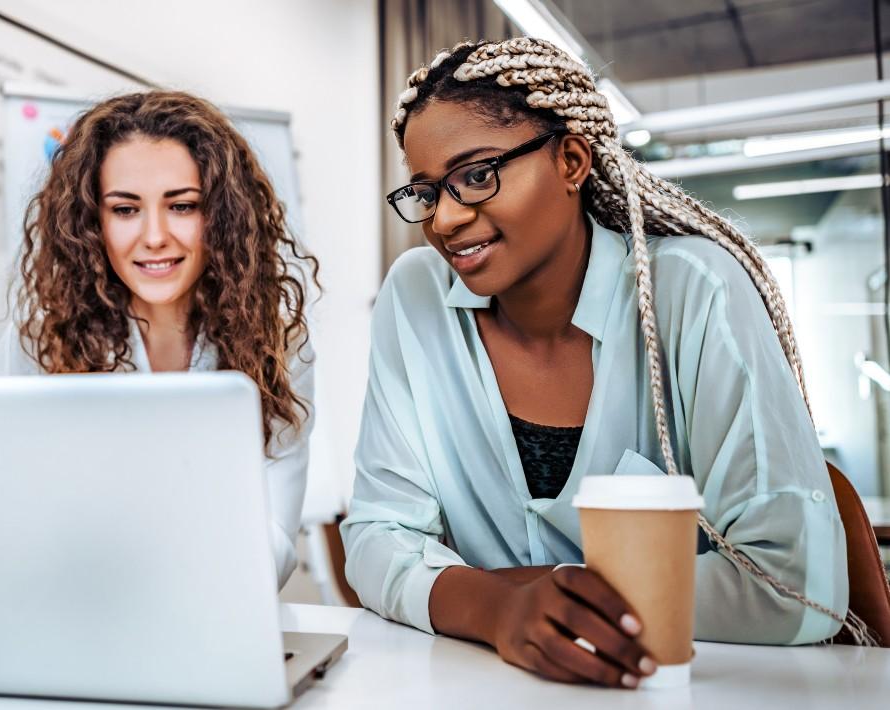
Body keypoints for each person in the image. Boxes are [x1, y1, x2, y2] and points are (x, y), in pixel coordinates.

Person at [342, 37, 861, 689]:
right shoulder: (413, 295)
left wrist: (537, 596)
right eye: (425, 191)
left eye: (477, 175)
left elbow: (791, 586)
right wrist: (498, 609)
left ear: (571, 160)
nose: (444, 218)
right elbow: (373, 538)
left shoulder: (695, 292)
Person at [0, 91, 319, 590]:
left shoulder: (279, 344)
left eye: (182, 206)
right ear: (92, 222)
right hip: (62, 609)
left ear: (222, 216)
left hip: (213, 612)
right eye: (125, 209)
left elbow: (272, 543)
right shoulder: (43, 335)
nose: (155, 235)